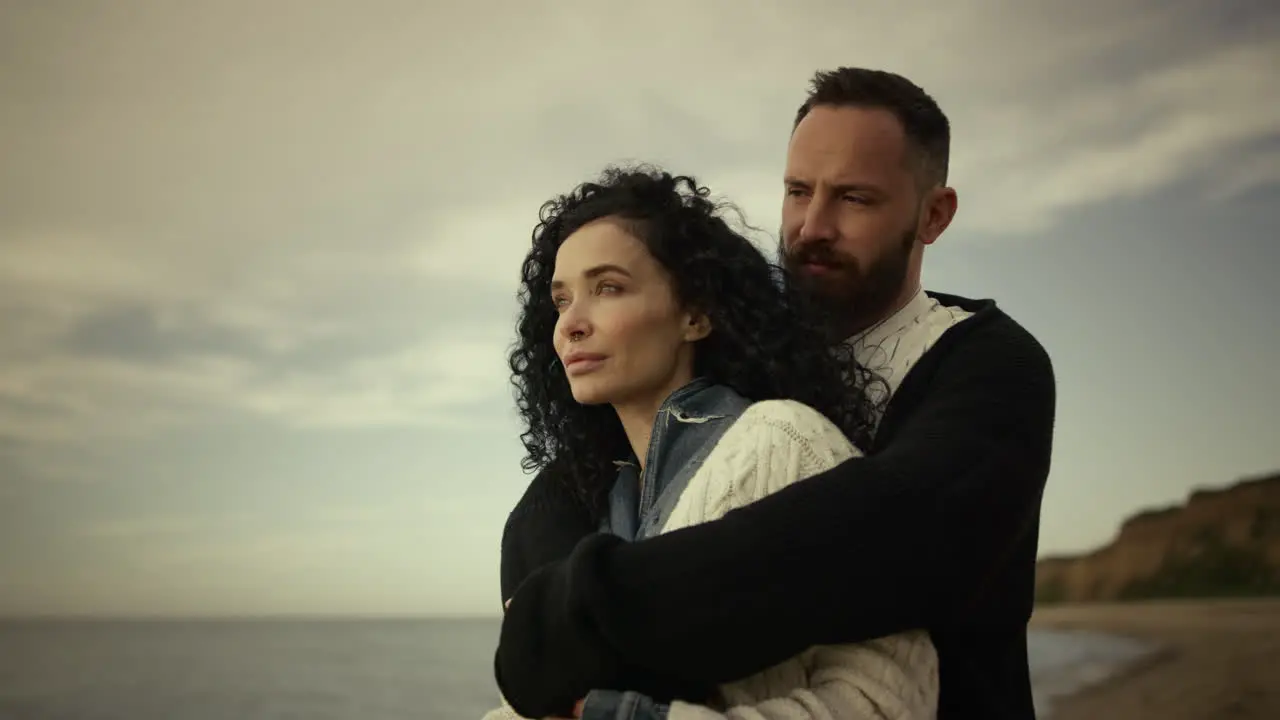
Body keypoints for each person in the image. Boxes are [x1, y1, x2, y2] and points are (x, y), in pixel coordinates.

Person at [493, 67, 1057, 720]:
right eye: (796, 191)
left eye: (855, 198)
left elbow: (901, 535)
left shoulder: (983, 361)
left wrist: (587, 610)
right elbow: (562, 504)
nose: (812, 225)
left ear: (932, 214)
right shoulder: (736, 362)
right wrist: (548, 606)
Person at [483, 166, 940, 720]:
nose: (571, 324)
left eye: (608, 288)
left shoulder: (786, 439)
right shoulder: (597, 500)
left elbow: (893, 701)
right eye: (561, 300)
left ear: (695, 315)